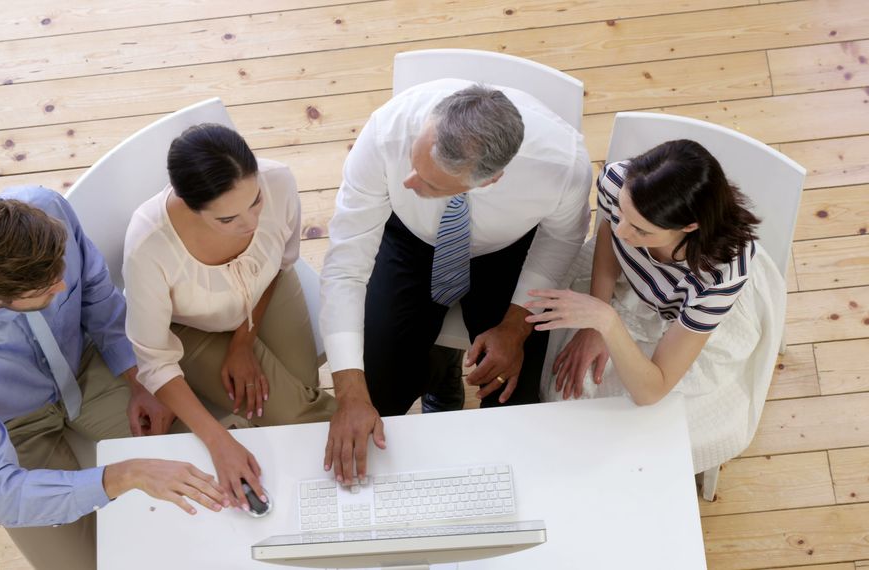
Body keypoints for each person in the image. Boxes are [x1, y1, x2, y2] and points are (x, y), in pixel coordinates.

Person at [0, 188, 227, 570]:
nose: (63, 285)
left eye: (60, 271)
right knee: (88, 564)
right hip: (15, 427)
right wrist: (122, 475)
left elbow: (99, 300)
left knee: (206, 480)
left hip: (87, 365)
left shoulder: (48, 211)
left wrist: (139, 378)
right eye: (45, 291)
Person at [319, 79, 592, 484]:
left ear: (491, 180)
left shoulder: (562, 167)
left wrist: (515, 328)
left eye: (430, 184)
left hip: (507, 249)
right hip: (406, 236)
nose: (409, 182)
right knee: (375, 391)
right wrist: (349, 394)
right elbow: (345, 265)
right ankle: (437, 377)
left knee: (513, 397)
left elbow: (561, 239)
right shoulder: (386, 132)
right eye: (412, 165)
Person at [528, 139, 786, 472]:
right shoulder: (618, 183)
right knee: (567, 393)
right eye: (621, 213)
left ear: (689, 227)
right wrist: (596, 315)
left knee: (643, 434)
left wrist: (605, 322)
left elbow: (652, 389)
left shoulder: (721, 273)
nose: (621, 230)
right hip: (624, 286)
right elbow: (609, 238)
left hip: (687, 318)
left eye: (640, 229)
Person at [123, 124, 336, 511]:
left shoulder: (278, 182)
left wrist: (243, 342)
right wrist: (217, 441)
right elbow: (154, 360)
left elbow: (281, 265)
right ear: (189, 204)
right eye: (227, 219)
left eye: (254, 201)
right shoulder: (147, 245)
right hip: (190, 326)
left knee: (298, 397)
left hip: (265, 292)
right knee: (292, 411)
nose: (251, 223)